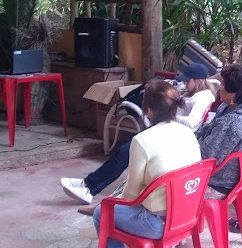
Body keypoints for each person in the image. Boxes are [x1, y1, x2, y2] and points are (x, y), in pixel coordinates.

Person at [92, 80, 201, 248]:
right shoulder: (189, 133)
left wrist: (113, 201)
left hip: (157, 224)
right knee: (143, 207)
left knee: (102, 214)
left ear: (149, 111)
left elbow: (131, 195)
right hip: (187, 217)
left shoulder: (142, 140)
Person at [60, 63, 217, 204]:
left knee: (125, 152)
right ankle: (88, 184)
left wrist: (168, 112)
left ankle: (89, 187)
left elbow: (193, 122)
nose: (185, 84)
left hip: (175, 133)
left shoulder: (203, 97)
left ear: (197, 81)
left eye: (188, 81)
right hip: (165, 127)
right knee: (124, 151)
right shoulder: (189, 92)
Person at [194, 63, 242, 199]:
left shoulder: (232, 124)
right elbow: (206, 130)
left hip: (216, 183)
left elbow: (206, 158)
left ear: (233, 94)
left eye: (223, 85)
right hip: (228, 177)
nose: (220, 88)